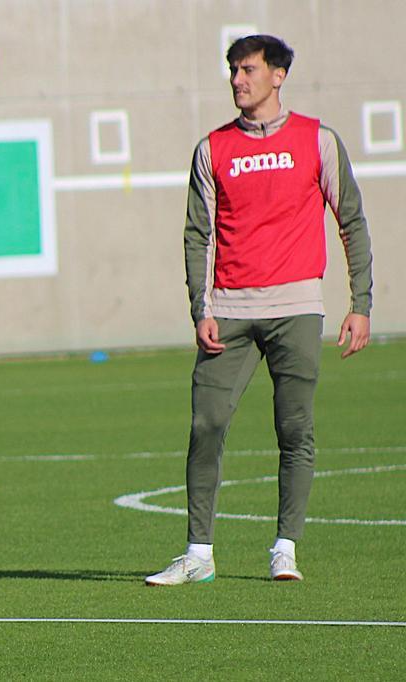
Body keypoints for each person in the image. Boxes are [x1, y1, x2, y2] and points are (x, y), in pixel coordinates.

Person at [146, 35, 373, 586]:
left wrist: (359, 303)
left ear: (278, 75)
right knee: (207, 423)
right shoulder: (211, 149)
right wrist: (200, 306)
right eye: (232, 71)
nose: (237, 80)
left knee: (294, 428)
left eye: (247, 70)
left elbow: (352, 222)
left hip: (296, 307)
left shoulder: (317, 140)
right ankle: (198, 554)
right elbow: (197, 236)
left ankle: (285, 548)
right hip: (228, 311)